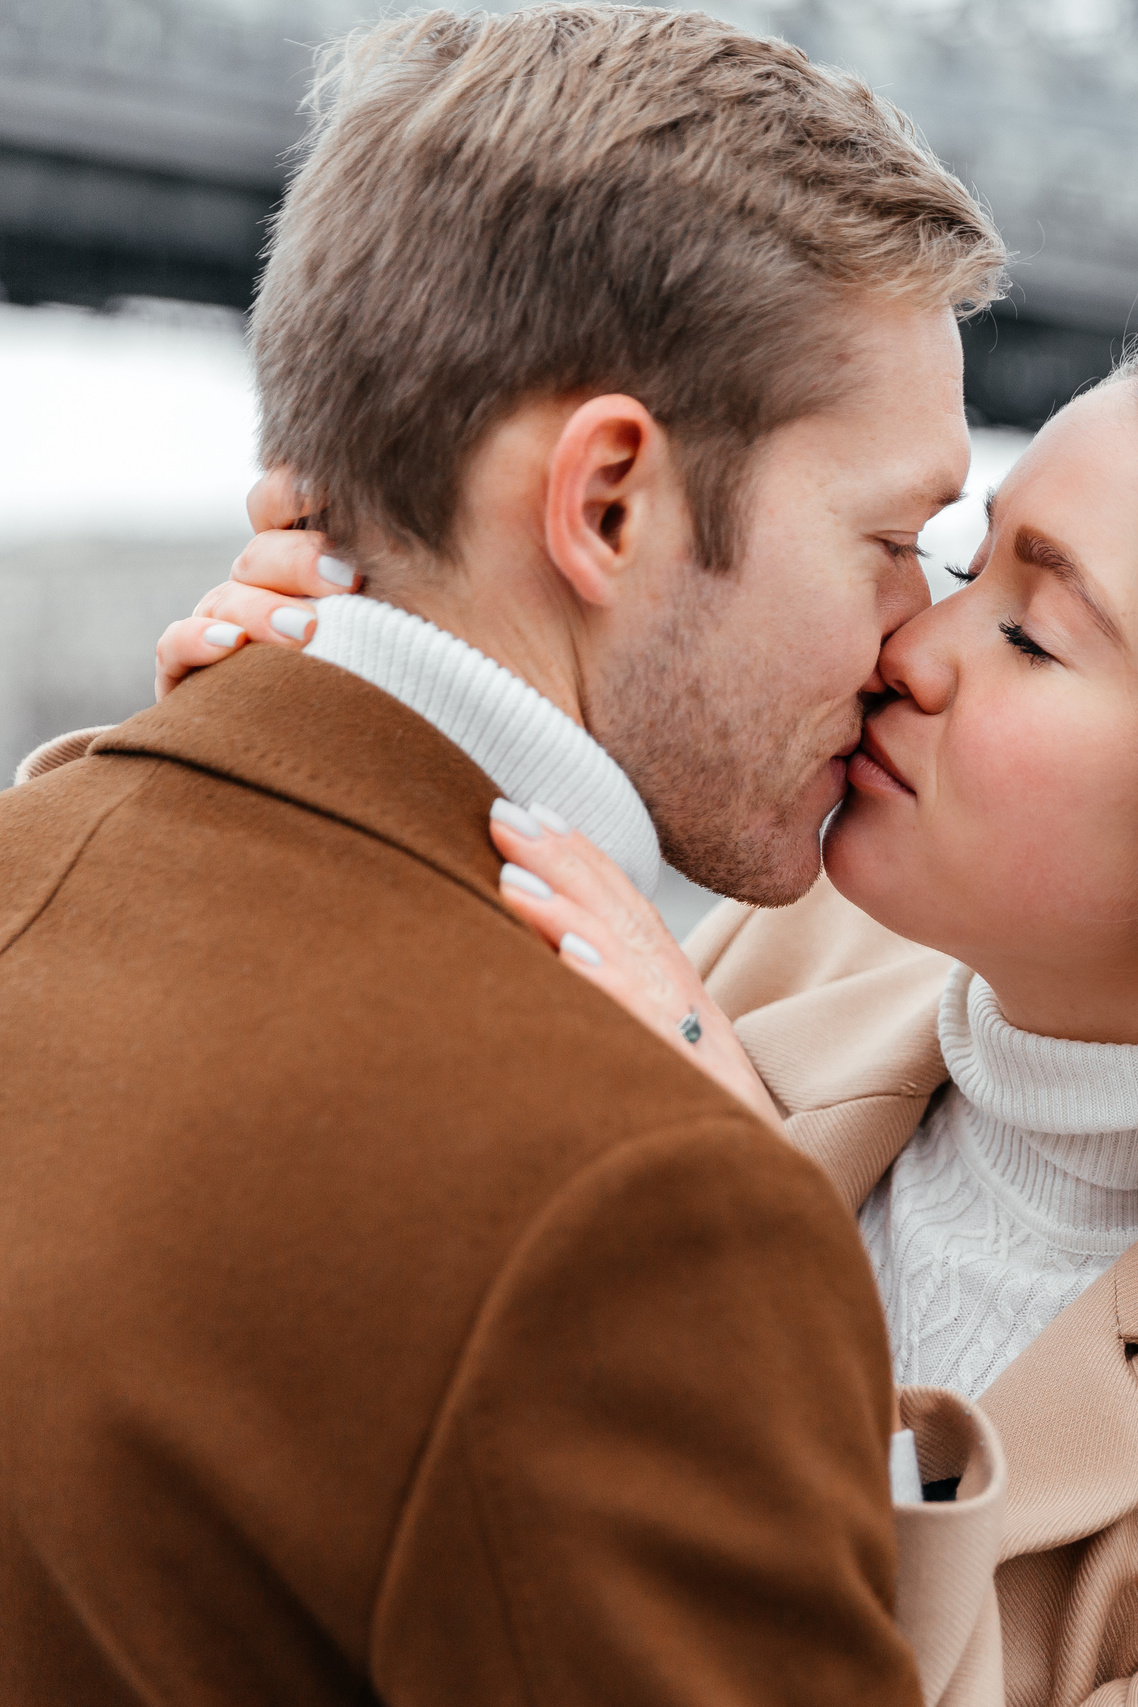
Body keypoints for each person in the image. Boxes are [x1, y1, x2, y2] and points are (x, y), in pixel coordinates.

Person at [141, 318, 1138, 1706]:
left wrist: (732, 1233)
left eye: (1033, 629)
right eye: (960, 564)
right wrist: (282, 789)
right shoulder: (787, 965)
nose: (909, 647)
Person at [0, 7, 1005, 1702]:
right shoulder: (645, 1208)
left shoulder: (42, 854)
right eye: (892, 541)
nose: (918, 640)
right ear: (611, 502)